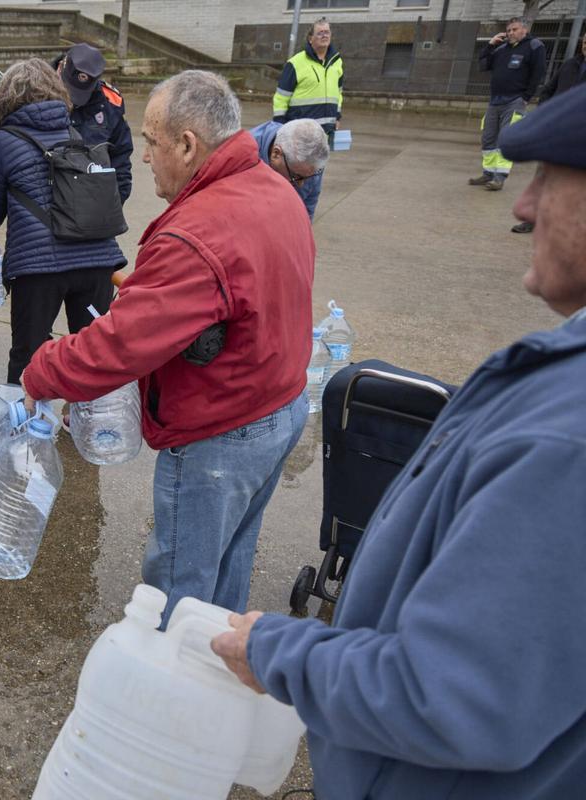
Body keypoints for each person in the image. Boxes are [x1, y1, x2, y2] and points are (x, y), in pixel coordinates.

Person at [213, 85, 586, 800]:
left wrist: (276, 649)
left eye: (548, 179)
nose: (522, 204)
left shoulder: (566, 439)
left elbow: (447, 697)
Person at [21, 70, 314, 624]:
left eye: (151, 142)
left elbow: (118, 347)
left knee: (178, 590)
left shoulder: (198, 231)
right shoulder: (272, 186)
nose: (145, 156)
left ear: (187, 144)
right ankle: (212, 662)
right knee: (228, 560)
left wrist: (43, 369)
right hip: (280, 403)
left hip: (222, 431)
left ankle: (169, 681)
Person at [0, 59, 127, 384]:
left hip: (38, 271)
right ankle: (84, 421)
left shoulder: (2, 141)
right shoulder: (75, 132)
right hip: (97, 263)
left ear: (6, 98)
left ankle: (27, 427)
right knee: (92, 355)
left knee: (28, 356)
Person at [513, 31, 585, 233]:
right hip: (558, 131)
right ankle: (534, 220)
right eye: (585, 41)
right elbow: (548, 89)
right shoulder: (570, 65)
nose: (585, 45)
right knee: (543, 176)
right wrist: (546, 112)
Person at [469, 16, 546, 192]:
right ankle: (488, 173)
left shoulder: (535, 46)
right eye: (509, 30)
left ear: (524, 30)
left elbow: (538, 73)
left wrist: (525, 97)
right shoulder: (502, 48)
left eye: (515, 29)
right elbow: (483, 64)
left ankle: (499, 178)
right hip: (495, 101)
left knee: (505, 139)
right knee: (488, 139)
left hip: (514, 101)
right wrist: (490, 44)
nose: (510, 33)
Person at [53, 43, 134, 204]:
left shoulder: (110, 104)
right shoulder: (35, 92)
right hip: (48, 209)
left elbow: (121, 159)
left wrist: (112, 206)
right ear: (61, 67)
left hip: (93, 210)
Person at [274, 18, 343, 140]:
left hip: (325, 132)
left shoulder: (337, 62)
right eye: (320, 33)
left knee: (320, 160)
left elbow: (339, 93)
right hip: (300, 132)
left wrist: (337, 117)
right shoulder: (295, 63)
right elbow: (281, 97)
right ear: (310, 39)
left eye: (327, 32)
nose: (324, 35)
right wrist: (279, 125)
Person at [249, 118, 330, 220]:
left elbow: (307, 207)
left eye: (309, 177)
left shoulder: (311, 163)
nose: (301, 185)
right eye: (296, 176)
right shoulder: (244, 155)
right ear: (276, 154)